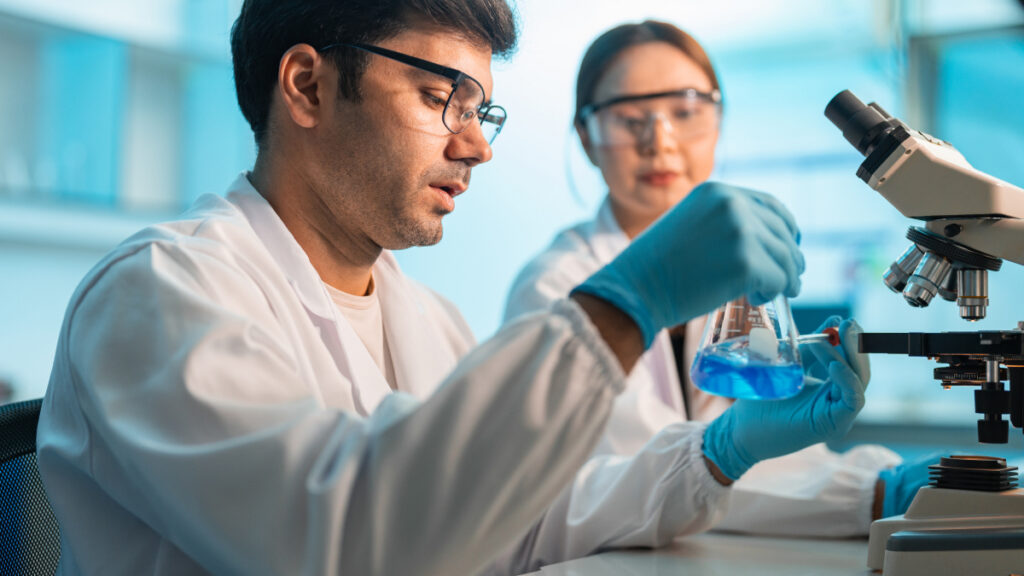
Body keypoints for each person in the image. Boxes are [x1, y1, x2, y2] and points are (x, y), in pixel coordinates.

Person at [38, 3, 870, 575]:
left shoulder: (423, 316)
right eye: (442, 99)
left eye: (484, 112)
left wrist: (715, 455)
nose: (477, 147)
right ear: (307, 86)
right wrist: (623, 305)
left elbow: (521, 514)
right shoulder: (161, 293)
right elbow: (344, 538)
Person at [505, 20, 932, 537]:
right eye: (627, 118)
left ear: (718, 121)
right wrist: (875, 491)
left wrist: (868, 475)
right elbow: (649, 470)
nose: (659, 142)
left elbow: (735, 454)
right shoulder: (554, 288)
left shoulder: (729, 270)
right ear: (587, 137)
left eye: (685, 112)